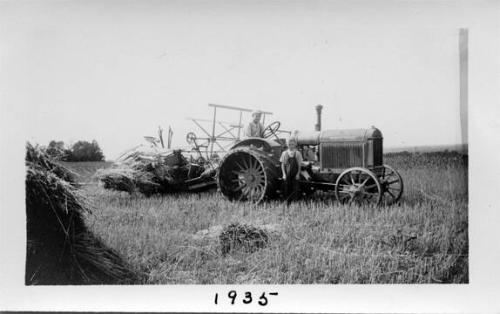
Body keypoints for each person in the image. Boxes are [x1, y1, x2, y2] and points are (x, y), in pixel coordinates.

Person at [280, 138, 303, 205]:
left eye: (292, 144)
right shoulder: (284, 153)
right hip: (287, 174)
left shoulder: (297, 153)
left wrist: (298, 174)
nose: (291, 146)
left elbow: (299, 165)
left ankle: (294, 203)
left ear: (295, 145)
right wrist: (284, 174)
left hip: (295, 174)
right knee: (286, 189)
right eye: (289, 144)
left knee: (295, 189)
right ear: (287, 145)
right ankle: (287, 203)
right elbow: (282, 164)